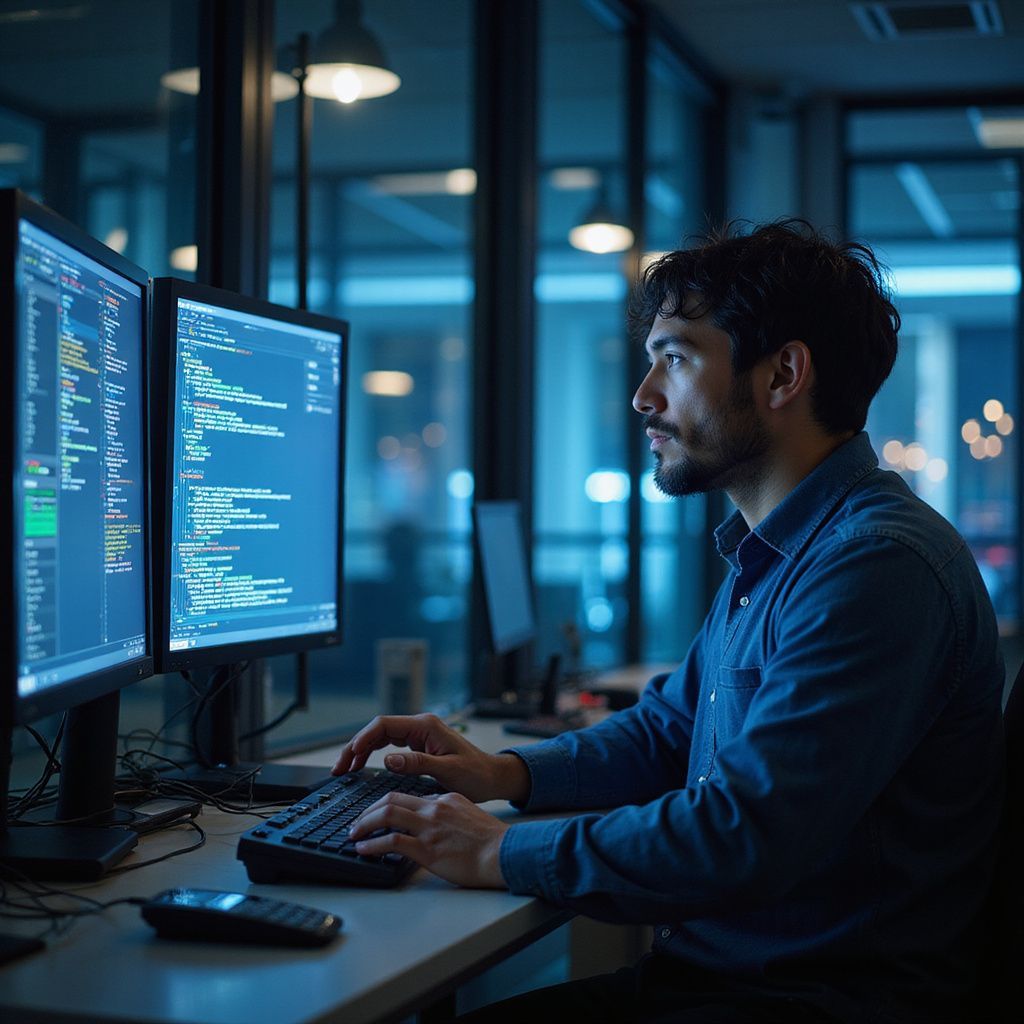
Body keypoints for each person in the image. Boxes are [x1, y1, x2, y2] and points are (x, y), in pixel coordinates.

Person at [333, 221, 1005, 1023]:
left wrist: (496, 848)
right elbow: (667, 731)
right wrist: (505, 774)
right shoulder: (782, 550)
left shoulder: (876, 567)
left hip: (812, 1001)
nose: (643, 395)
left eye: (676, 358)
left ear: (783, 374)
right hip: (730, 979)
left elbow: (742, 833)